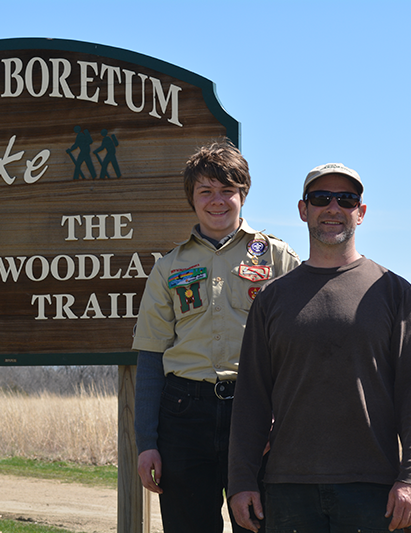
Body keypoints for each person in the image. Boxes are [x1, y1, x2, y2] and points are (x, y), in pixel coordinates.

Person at [227, 162, 411, 533]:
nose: (333, 208)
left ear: (361, 212)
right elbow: (251, 399)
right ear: (303, 209)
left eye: (346, 199)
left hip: (373, 488)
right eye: (321, 198)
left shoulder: (394, 292)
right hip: (287, 487)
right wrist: (242, 481)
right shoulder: (272, 299)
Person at [132, 140, 301, 533]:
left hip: (256, 410)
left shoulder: (277, 257)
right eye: (205, 191)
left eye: (227, 190)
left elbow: (300, 351)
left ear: (244, 194)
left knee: (261, 525)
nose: (217, 201)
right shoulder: (168, 267)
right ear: (191, 199)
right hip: (184, 414)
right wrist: (147, 443)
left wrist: (281, 418)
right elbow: (151, 358)